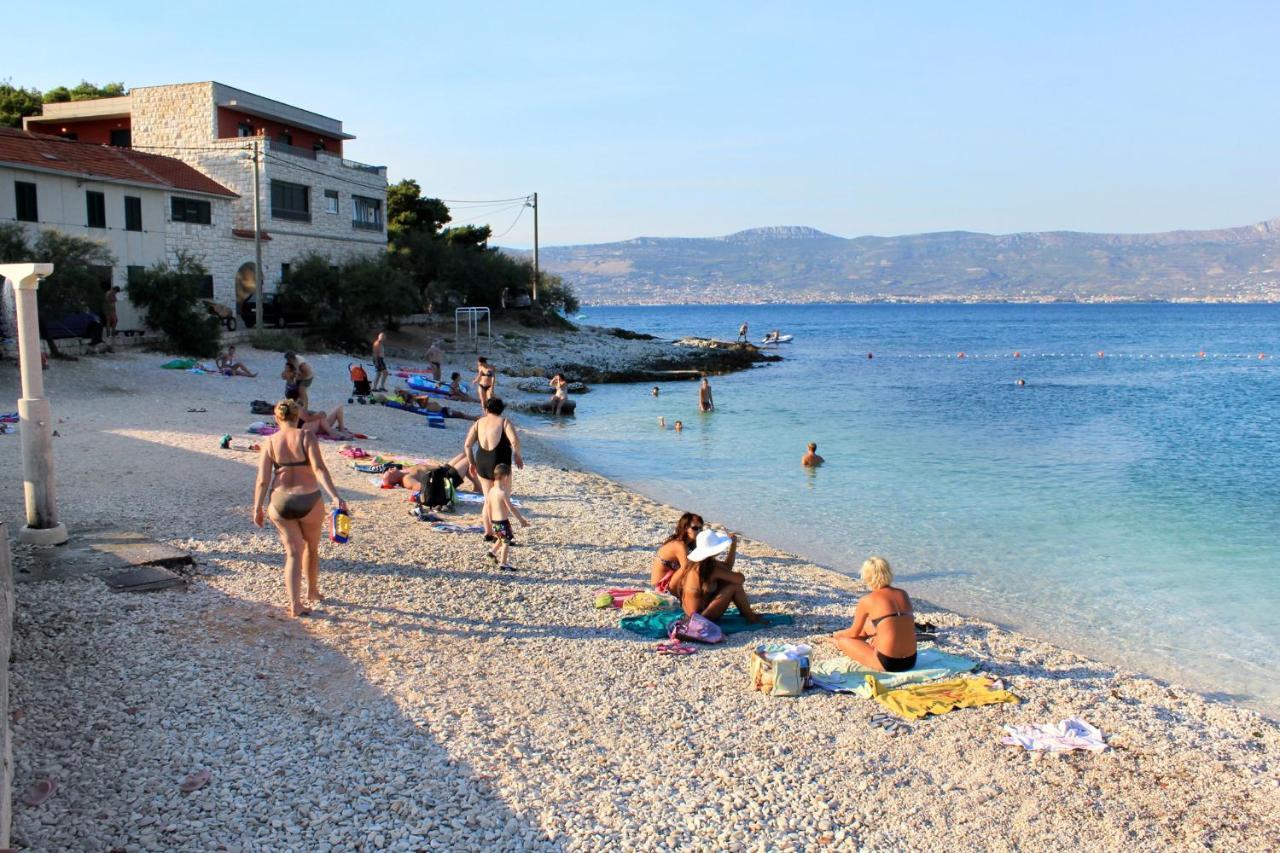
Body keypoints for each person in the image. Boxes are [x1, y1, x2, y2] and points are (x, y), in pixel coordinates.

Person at [252, 399, 345, 617]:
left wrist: (257, 508)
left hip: (280, 501)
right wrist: (335, 496)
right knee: (311, 548)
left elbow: (262, 480)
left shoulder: (270, 441)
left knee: (293, 553)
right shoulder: (306, 436)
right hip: (309, 498)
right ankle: (312, 592)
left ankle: (295, 604)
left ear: (277, 418)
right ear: (298, 417)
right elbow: (319, 468)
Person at [832, 556, 917, 672]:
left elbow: (853, 632)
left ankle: (835, 641)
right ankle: (873, 641)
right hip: (911, 660)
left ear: (866, 576)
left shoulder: (867, 600)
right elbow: (896, 624)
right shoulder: (903, 594)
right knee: (869, 624)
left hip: (889, 663)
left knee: (843, 641)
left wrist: (837, 634)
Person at [670, 528, 761, 622]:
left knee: (724, 581)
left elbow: (727, 566)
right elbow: (740, 579)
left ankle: (746, 614)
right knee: (734, 586)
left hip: (689, 613)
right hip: (700, 618)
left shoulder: (695, 563)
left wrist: (733, 546)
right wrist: (737, 574)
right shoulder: (711, 569)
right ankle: (751, 617)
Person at [463, 397, 524, 539]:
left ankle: (488, 532)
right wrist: (517, 455)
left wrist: (472, 463)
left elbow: (467, 445)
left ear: (486, 409)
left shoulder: (478, 423)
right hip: (500, 464)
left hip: (482, 463)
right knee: (503, 499)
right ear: (501, 410)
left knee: (488, 499)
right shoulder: (504, 422)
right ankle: (503, 535)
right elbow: (514, 441)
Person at [484, 463, 530, 570]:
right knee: (506, 542)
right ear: (505, 477)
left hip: (494, 521)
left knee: (501, 538)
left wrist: (490, 520)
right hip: (503, 522)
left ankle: (492, 552)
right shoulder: (503, 493)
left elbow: (488, 506)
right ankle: (503, 563)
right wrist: (521, 520)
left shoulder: (491, 491)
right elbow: (511, 508)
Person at [651, 512, 703, 592]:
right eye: (695, 528)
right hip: (661, 587)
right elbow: (688, 569)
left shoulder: (687, 543)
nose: (699, 531)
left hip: (666, 583)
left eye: (700, 528)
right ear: (685, 528)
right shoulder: (680, 545)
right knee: (688, 569)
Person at [383, 451, 482, 493]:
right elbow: (421, 487)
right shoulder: (407, 479)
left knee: (464, 454)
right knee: (469, 459)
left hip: (442, 469)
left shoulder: (404, 471)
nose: (390, 469)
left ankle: (476, 485)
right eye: (389, 472)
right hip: (446, 478)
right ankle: (478, 486)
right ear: (394, 479)